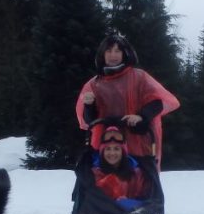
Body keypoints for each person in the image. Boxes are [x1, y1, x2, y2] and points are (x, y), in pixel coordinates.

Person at [75, 33, 180, 170]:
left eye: (117, 51)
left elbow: (158, 102)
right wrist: (88, 106)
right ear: (102, 55)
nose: (113, 55)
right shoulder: (94, 84)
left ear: (125, 54)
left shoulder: (140, 77)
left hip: (138, 144)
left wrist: (141, 117)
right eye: (109, 51)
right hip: (107, 147)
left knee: (138, 185)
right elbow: (90, 122)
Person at [92, 126, 149, 211]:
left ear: (123, 151)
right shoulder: (94, 173)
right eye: (108, 149)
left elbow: (145, 200)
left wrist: (127, 203)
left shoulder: (136, 173)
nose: (112, 153)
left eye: (116, 149)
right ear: (102, 152)